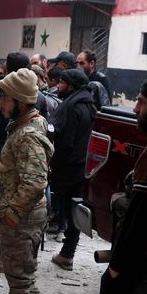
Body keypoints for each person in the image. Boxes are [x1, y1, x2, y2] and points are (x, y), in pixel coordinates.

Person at [0, 69, 54, 294]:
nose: (0, 104)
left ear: (19, 101)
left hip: (22, 221)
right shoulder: (30, 121)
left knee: (21, 282)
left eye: (5, 98)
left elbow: (35, 182)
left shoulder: (28, 135)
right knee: (18, 279)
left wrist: (11, 214)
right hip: (22, 218)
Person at [97, 74, 147, 294]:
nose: (135, 109)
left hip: (144, 271)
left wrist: (115, 269)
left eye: (142, 102)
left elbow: (140, 219)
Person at [48, 69, 97, 271]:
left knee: (69, 211)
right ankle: (67, 253)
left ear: (72, 86)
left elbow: (65, 141)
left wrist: (53, 161)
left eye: (62, 83)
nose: (58, 86)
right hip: (81, 168)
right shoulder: (89, 105)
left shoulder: (73, 107)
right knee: (73, 212)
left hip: (69, 168)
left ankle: (67, 254)